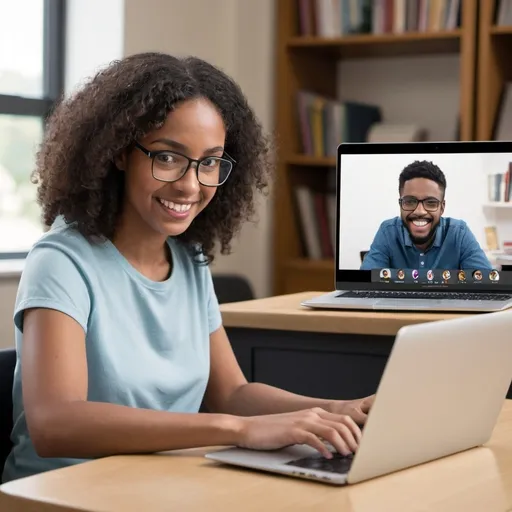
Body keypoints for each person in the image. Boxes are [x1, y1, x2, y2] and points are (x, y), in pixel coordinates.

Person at [2, 53, 374, 483]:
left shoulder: (188, 259)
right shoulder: (61, 261)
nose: (190, 185)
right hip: (62, 495)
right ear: (119, 153)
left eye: (210, 162)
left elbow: (232, 393)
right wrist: (237, 430)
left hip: (163, 487)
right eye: (167, 158)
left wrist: (335, 410)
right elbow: (55, 424)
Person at [360, 160, 492, 272]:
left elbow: (487, 283)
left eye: (431, 203)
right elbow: (365, 283)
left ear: (442, 207)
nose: (420, 211)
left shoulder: (459, 233)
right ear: (400, 204)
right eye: (410, 201)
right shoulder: (388, 231)